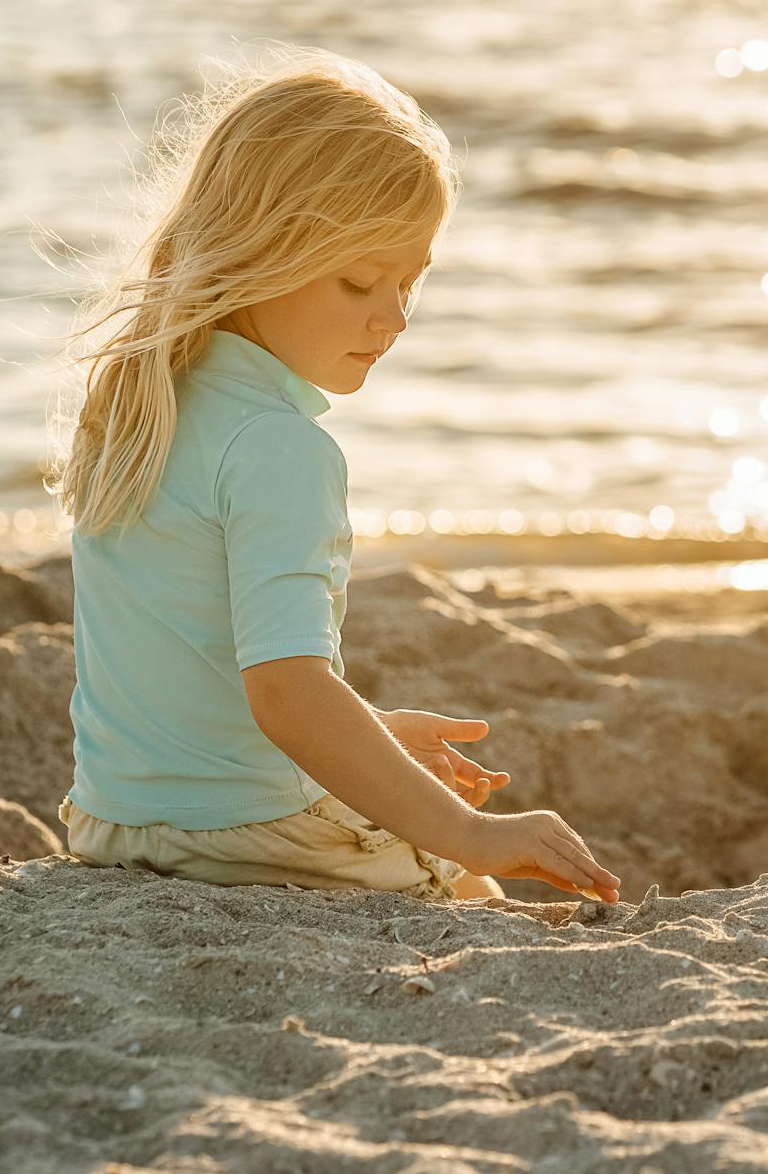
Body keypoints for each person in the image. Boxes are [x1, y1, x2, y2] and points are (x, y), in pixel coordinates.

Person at [43, 44, 619, 906]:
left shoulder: (138, 405)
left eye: (410, 284)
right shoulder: (281, 448)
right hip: (244, 837)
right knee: (475, 894)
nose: (391, 318)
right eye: (359, 280)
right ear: (258, 251)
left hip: (113, 825)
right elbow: (288, 691)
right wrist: (471, 833)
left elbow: (180, 678)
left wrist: (375, 740)